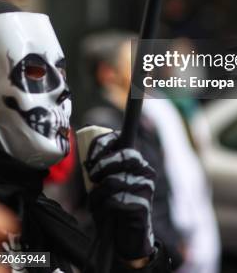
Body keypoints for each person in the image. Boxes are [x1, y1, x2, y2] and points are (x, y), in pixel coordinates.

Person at [0, 0, 172, 272]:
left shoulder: (45, 222)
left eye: (62, 72)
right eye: (34, 71)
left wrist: (134, 256)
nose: (62, 90)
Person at [81, 31, 221, 273]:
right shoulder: (106, 125)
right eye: (134, 61)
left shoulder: (147, 115)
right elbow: (134, 200)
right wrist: (167, 248)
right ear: (108, 73)